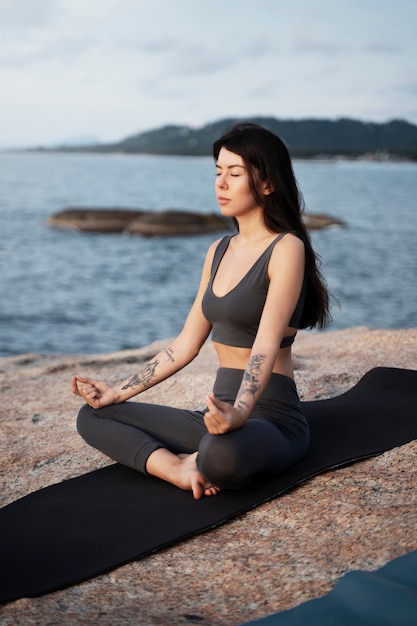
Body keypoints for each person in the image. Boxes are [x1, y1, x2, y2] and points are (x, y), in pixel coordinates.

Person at [73, 122, 330, 500]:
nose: (221, 183)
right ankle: (178, 468)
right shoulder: (218, 251)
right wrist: (117, 392)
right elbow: (185, 346)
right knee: (93, 416)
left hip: (269, 418)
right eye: (218, 172)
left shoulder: (286, 248)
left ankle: (203, 459)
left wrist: (241, 412)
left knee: (220, 456)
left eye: (235, 173)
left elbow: (266, 342)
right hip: (216, 417)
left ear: (268, 184)